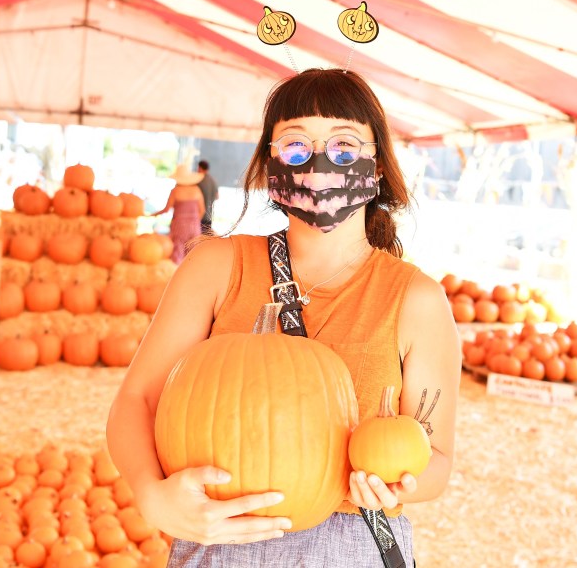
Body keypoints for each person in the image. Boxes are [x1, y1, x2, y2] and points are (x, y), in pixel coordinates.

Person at [107, 68, 460, 567]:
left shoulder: (416, 300)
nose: (318, 164)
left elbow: (438, 460)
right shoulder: (216, 267)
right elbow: (135, 400)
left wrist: (399, 482)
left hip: (354, 544)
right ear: (270, 166)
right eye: (296, 147)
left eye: (344, 147)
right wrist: (150, 494)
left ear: (376, 168)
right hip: (221, 539)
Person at [153, 163, 206, 264]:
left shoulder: (175, 191)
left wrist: (153, 214)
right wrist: (194, 221)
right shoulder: (197, 190)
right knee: (193, 255)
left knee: (177, 254)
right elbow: (202, 210)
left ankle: (177, 277)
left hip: (179, 226)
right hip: (194, 226)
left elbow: (166, 209)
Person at [196, 159, 219, 233]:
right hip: (209, 216)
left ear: (200, 168)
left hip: (199, 216)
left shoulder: (198, 179)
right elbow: (217, 196)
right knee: (204, 240)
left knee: (194, 241)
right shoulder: (213, 180)